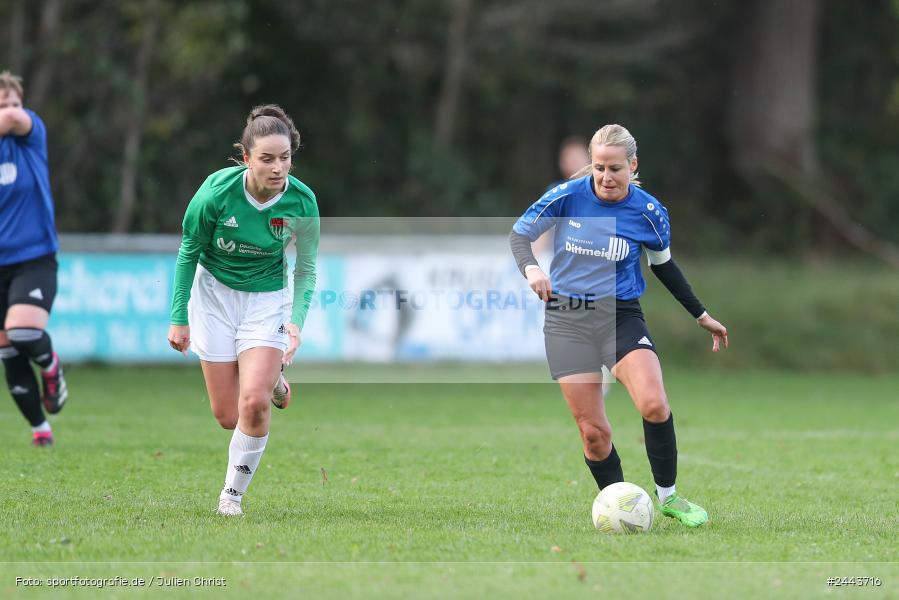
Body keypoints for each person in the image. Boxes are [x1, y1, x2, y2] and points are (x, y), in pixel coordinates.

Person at [509, 124, 728, 528]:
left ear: (633, 165)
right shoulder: (566, 196)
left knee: (655, 404)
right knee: (594, 433)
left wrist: (701, 315)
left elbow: (665, 269)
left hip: (621, 316)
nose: (606, 177)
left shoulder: (648, 212)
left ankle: (669, 497)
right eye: (599, 168)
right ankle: (619, 506)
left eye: (615, 168)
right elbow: (520, 235)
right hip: (567, 319)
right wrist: (532, 270)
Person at [167, 104, 319, 516]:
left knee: (253, 405)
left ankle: (231, 497)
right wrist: (178, 315)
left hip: (267, 299)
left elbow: (305, 270)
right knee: (226, 415)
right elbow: (188, 252)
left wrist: (296, 322)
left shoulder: (302, 203)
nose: (277, 168)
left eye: (284, 158)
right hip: (214, 296)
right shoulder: (216, 193)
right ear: (246, 158)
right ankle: (275, 381)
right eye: (267, 159)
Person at [0, 70, 68, 447]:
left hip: (34, 258)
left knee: (24, 331)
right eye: (3, 104)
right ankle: (40, 429)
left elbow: (12, 121)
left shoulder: (29, 135)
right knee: (8, 351)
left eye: (15, 102)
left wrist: (10, 113)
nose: (10, 111)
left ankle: (51, 365)